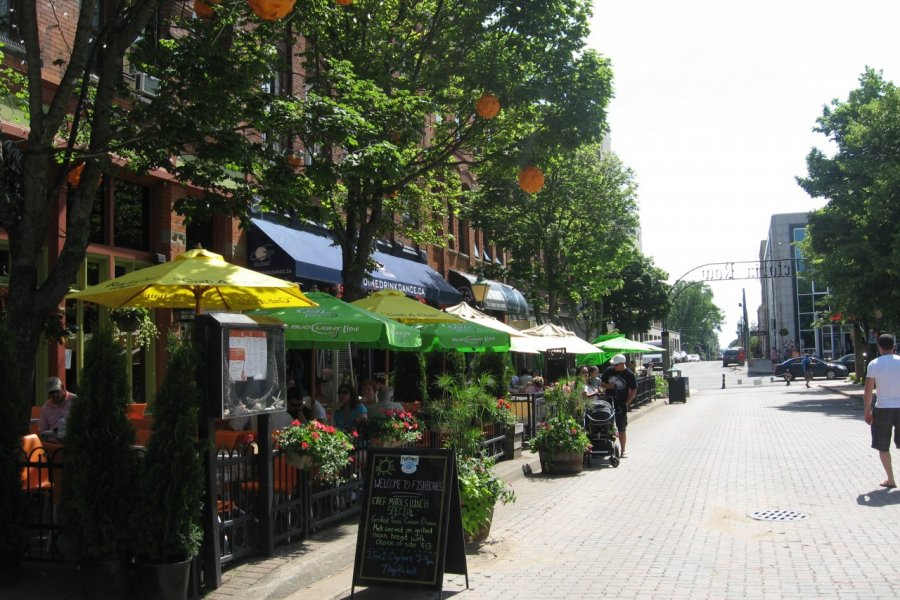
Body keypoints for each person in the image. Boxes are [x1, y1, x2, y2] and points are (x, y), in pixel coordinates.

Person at [863, 333, 900, 489]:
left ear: (879, 347)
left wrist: (867, 411)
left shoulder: (874, 364)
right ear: (894, 346)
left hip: (883, 408)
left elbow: (868, 389)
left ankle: (891, 479)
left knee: (883, 445)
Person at [600, 354, 637, 458]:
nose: (614, 367)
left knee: (621, 427)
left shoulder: (629, 374)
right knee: (607, 425)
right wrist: (608, 386)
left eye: (616, 365)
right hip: (608, 402)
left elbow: (634, 389)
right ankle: (607, 448)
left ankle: (623, 450)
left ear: (622, 364)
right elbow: (602, 383)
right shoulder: (609, 371)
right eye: (614, 365)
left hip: (621, 403)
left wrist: (627, 402)